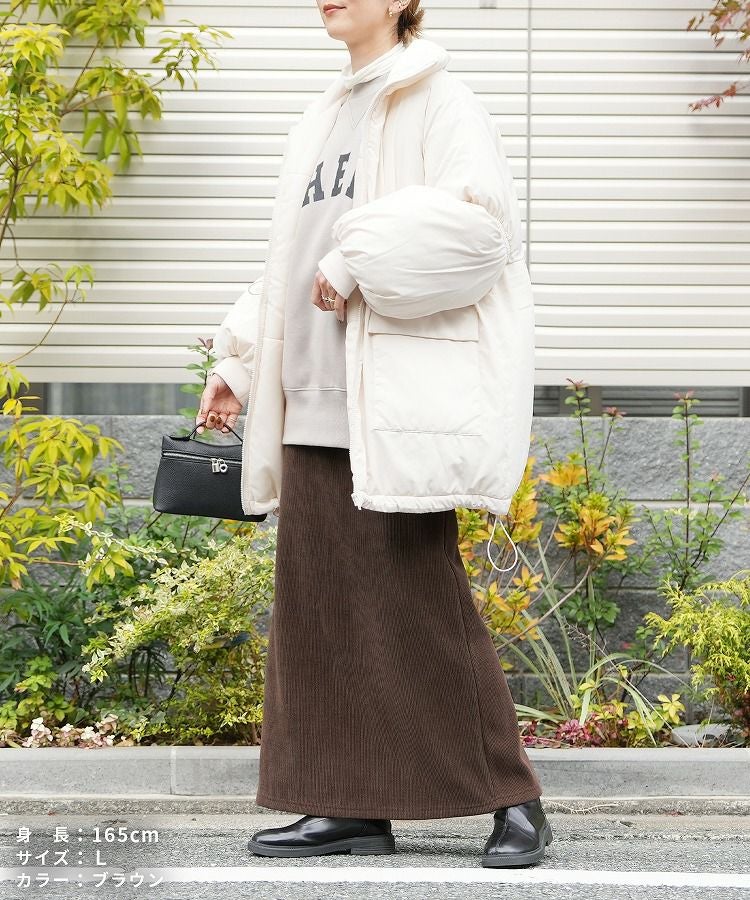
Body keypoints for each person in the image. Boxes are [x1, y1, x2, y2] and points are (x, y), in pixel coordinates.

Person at [196, 0, 552, 869]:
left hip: (387, 403)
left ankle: (514, 799)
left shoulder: (440, 99)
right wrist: (238, 362)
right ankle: (347, 805)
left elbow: (482, 229)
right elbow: (290, 258)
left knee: (422, 606)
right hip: (310, 394)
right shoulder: (323, 116)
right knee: (319, 613)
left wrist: (358, 256)